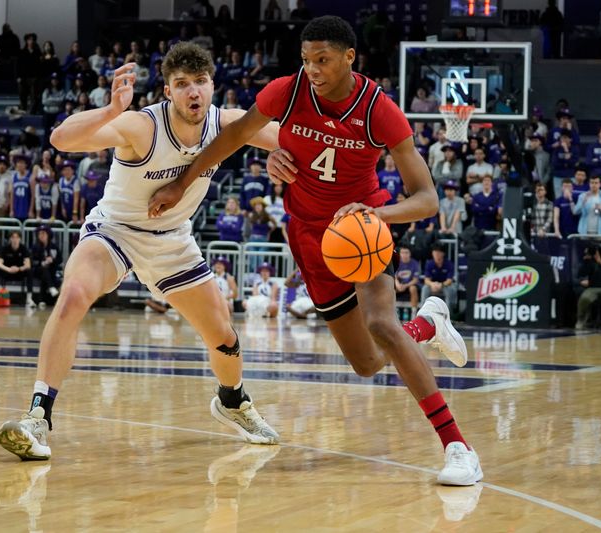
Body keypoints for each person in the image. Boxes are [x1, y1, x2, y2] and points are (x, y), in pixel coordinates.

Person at [148, 16, 480, 485]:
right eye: (306, 60)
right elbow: (235, 134)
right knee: (367, 364)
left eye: (322, 59)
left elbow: (426, 199)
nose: (313, 69)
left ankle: (458, 449)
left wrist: (374, 215)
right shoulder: (288, 91)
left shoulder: (378, 110)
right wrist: (184, 182)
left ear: (350, 57)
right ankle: (427, 323)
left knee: (382, 324)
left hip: (362, 230)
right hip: (307, 235)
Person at [0, 43, 282, 462]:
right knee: (74, 295)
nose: (193, 92)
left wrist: (283, 158)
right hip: (115, 231)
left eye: (200, 82)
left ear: (212, 86)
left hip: (172, 240)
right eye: (182, 84)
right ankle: (38, 417)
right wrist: (110, 111)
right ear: (168, 91)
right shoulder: (142, 126)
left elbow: (294, 141)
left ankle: (233, 401)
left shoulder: (229, 124)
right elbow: (61, 139)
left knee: (223, 335)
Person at [0, 231, 35, 308]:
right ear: (10, 239)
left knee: (29, 271)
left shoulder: (23, 248)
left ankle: (29, 298)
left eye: (17, 237)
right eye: (13, 237)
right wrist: (8, 269)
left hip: (19, 272)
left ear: (20, 239)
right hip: (8, 272)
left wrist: (18, 268)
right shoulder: (5, 248)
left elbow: (28, 265)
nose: (15, 239)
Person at [30, 224, 62, 307]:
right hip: (37, 270)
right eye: (40, 234)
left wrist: (52, 260)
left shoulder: (54, 247)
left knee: (46, 275)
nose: (41, 235)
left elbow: (60, 259)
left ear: (48, 235)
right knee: (44, 270)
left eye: (43, 233)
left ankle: (41, 301)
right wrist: (42, 262)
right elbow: (32, 261)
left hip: (51, 271)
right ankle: (51, 288)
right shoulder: (35, 247)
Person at [421, 244, 457, 313]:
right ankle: (423, 313)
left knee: (450, 290)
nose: (436, 254)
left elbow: (449, 280)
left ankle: (447, 314)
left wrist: (441, 285)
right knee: (425, 289)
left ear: (443, 253)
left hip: (445, 285)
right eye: (434, 252)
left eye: (438, 252)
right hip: (433, 284)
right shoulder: (429, 264)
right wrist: (432, 284)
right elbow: (426, 280)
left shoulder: (449, 264)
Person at [394, 244, 420, 320]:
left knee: (413, 288)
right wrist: (398, 284)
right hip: (400, 285)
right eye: (402, 252)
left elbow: (415, 279)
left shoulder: (415, 263)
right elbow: (394, 277)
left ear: (410, 253)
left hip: (410, 285)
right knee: (390, 288)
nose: (404, 255)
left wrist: (406, 285)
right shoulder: (397, 262)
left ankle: (413, 313)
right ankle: (391, 312)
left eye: (406, 252)